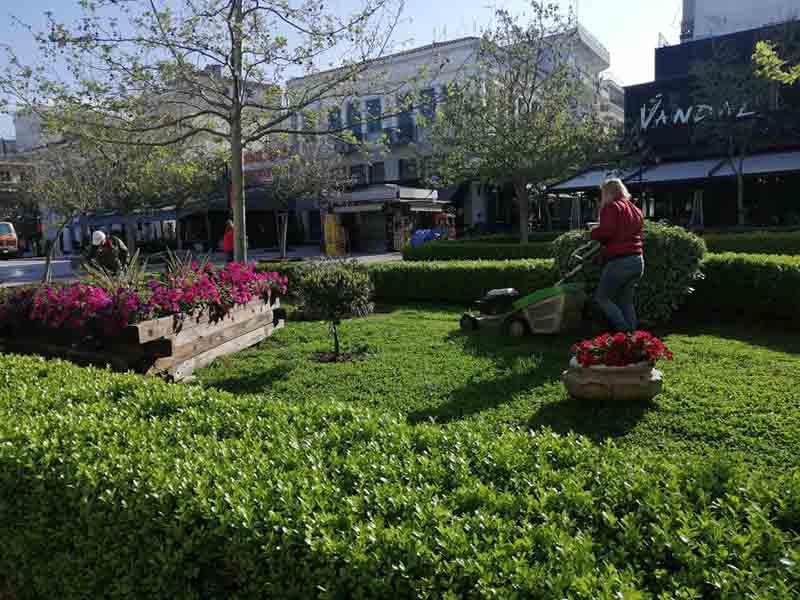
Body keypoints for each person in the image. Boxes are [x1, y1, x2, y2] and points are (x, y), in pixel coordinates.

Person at [589, 179, 644, 333]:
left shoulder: (611, 207)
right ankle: (633, 338)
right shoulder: (635, 209)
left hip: (620, 261)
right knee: (626, 302)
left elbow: (607, 231)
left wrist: (592, 233)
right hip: (637, 260)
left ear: (608, 192)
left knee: (602, 298)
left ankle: (623, 331)